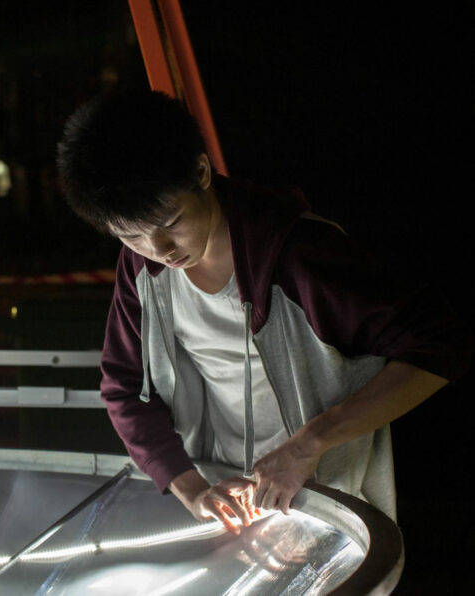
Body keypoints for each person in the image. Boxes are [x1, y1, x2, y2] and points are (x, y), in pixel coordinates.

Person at [56, 90, 469, 534]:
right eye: (130, 235)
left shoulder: (299, 254)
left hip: (329, 507)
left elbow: (441, 344)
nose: (159, 251)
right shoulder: (142, 265)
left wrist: (309, 444)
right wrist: (191, 488)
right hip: (228, 507)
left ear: (200, 172)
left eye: (171, 223)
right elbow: (123, 389)